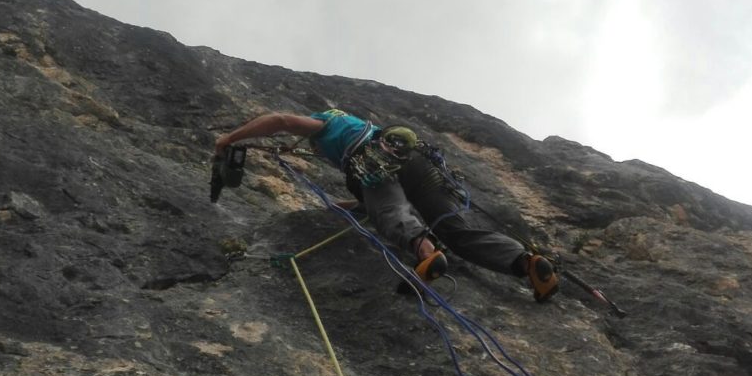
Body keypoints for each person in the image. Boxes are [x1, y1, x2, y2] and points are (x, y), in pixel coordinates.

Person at [213, 109, 559, 302]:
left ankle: (426, 254)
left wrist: (229, 139)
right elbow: (381, 200)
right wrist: (345, 205)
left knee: (393, 217)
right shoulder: (366, 128)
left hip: (375, 161)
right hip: (419, 164)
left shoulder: (328, 124)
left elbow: (281, 121)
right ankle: (526, 262)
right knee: (455, 230)